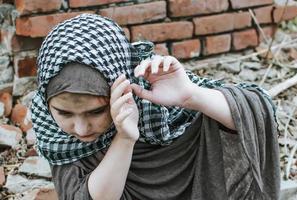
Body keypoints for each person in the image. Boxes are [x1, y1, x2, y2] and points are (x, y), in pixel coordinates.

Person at [31, 14, 280, 200]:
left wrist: (190, 97)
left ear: (123, 84)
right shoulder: (56, 136)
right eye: (64, 113)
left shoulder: (152, 96)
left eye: (96, 111)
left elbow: (258, 111)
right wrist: (125, 138)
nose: (81, 128)